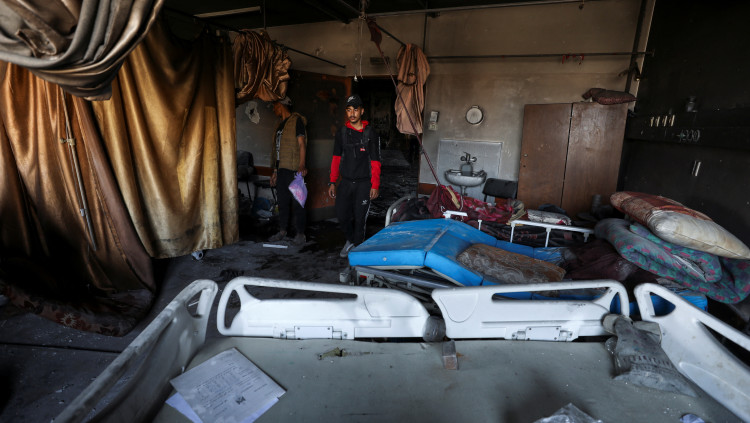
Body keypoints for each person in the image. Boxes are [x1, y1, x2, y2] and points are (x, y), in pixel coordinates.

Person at [328, 94, 381, 258]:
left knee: (360, 218)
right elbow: (336, 159)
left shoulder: (370, 133)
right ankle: (351, 240)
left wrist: (375, 185)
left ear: (362, 111)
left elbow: (376, 161)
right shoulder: (342, 133)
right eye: (349, 110)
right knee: (341, 214)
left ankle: (358, 249)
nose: (352, 113)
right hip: (345, 182)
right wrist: (332, 181)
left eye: (355, 110)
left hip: (364, 184)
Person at [269, 98, 308, 245]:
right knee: (282, 202)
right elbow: (277, 151)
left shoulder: (296, 121)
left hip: (294, 170)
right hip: (282, 170)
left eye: (274, 106)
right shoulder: (279, 126)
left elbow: (302, 144)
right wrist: (275, 171)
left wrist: (302, 165)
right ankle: (282, 231)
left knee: (298, 202)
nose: (274, 110)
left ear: (280, 105)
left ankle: (300, 234)